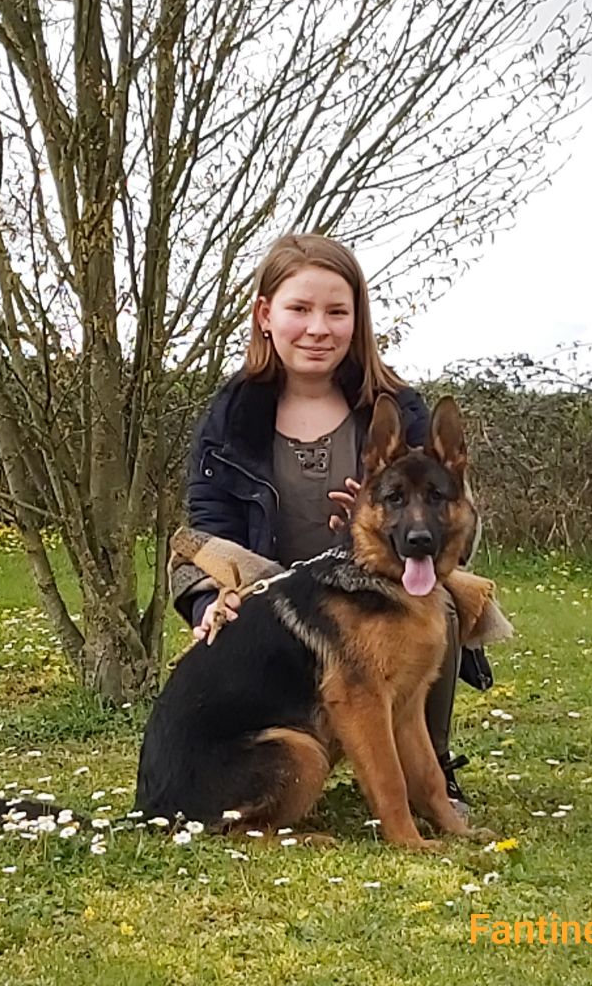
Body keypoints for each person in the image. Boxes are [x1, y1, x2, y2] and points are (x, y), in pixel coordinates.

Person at [173, 232, 491, 811]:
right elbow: (207, 527)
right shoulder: (232, 418)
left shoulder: (396, 408)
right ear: (266, 316)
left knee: (437, 600)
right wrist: (209, 603)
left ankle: (430, 774)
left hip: (379, 583)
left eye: (336, 312)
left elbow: (445, 511)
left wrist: (369, 528)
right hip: (277, 601)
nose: (318, 327)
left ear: (357, 321)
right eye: (300, 309)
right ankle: (291, 767)